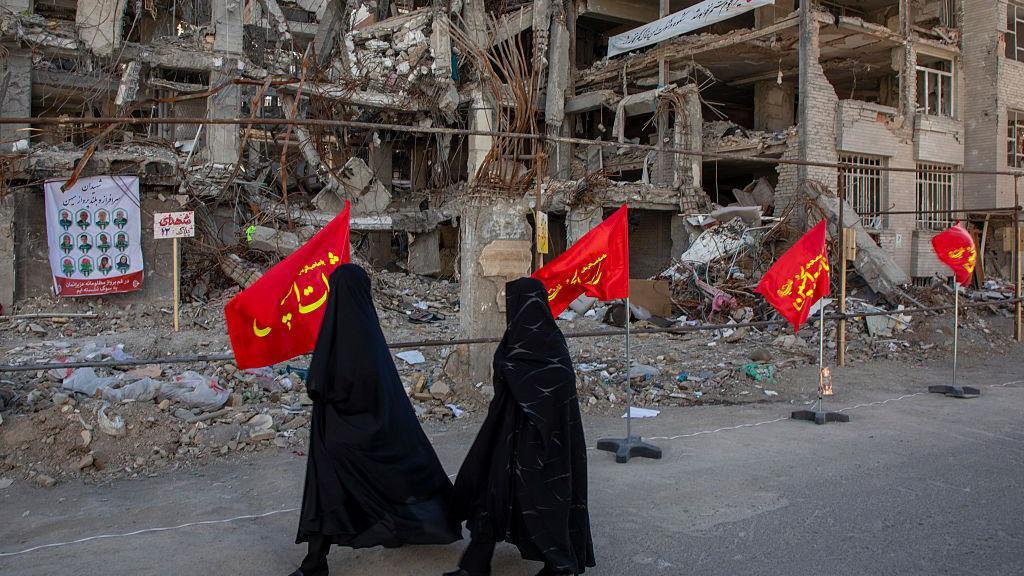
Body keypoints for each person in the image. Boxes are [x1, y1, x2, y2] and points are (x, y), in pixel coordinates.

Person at [289, 264, 461, 576]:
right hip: (375, 431)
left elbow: (318, 383)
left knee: (326, 490)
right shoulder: (370, 333)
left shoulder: (335, 332)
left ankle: (315, 562)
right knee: (394, 474)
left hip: (336, 434)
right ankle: (403, 527)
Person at [445, 277, 595, 576]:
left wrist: (513, 374)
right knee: (489, 497)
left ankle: (560, 567)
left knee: (542, 507)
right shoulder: (514, 342)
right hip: (504, 437)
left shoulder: (552, 350)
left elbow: (553, 391)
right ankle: (474, 566)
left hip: (542, 448)